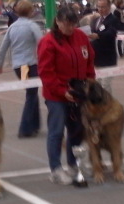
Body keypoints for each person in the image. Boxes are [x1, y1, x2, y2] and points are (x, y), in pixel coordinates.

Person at [37, 7, 95, 185]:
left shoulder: (81, 37)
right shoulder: (48, 42)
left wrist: (89, 83)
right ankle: (55, 169)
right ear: (58, 22)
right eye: (67, 24)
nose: (71, 28)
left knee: (76, 131)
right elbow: (46, 73)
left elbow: (89, 60)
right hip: (57, 95)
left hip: (78, 93)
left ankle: (73, 164)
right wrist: (62, 91)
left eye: (74, 24)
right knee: (56, 132)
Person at [0, 0, 42, 138]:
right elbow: (42, 43)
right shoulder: (32, 26)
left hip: (19, 66)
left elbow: (3, 47)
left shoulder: (12, 27)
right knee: (31, 95)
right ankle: (25, 128)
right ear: (30, 11)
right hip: (31, 65)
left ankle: (35, 124)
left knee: (32, 93)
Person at [89, 0, 117, 93]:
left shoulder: (113, 19)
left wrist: (98, 36)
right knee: (97, 84)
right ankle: (100, 105)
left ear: (109, 7)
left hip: (108, 59)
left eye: (103, 7)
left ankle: (108, 105)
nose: (100, 9)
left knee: (105, 85)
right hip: (96, 58)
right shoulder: (95, 20)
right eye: (99, 7)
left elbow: (111, 33)